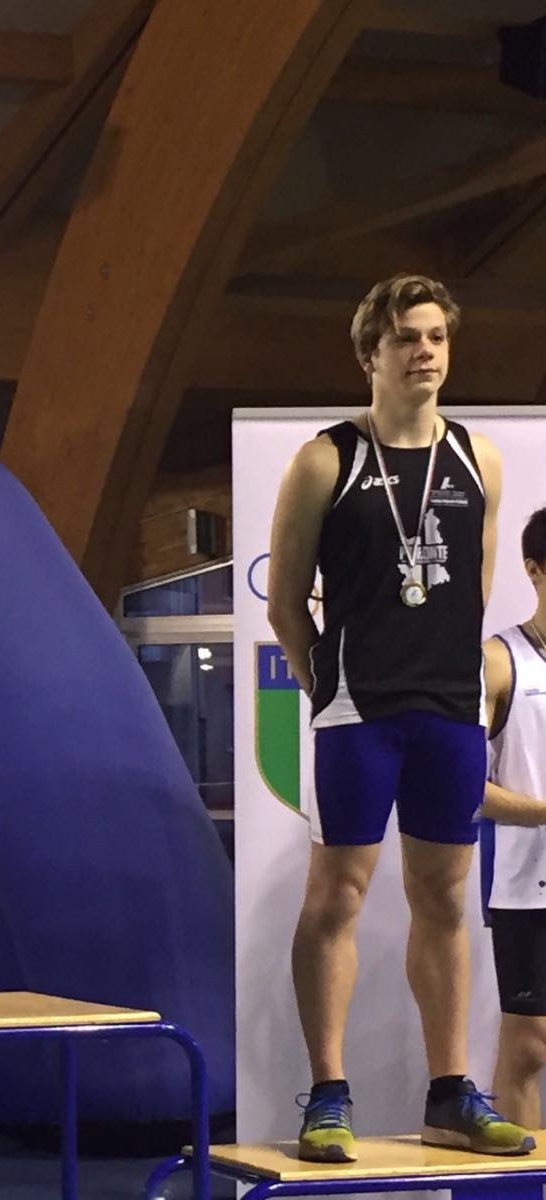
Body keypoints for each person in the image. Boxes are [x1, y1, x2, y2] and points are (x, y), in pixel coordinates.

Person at [266, 273, 529, 1160]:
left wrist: (452, 680)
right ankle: (327, 1094)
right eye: (406, 338)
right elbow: (286, 602)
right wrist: (327, 685)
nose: (425, 352)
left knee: (446, 899)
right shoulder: (325, 459)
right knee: (336, 894)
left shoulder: (479, 459)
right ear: (369, 354)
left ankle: (451, 1094)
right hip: (359, 708)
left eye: (436, 337)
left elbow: (475, 589)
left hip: (450, 711)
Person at [480, 505, 546, 1128]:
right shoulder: (500, 661)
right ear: (534, 570)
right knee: (530, 1045)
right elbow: (462, 788)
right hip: (530, 887)